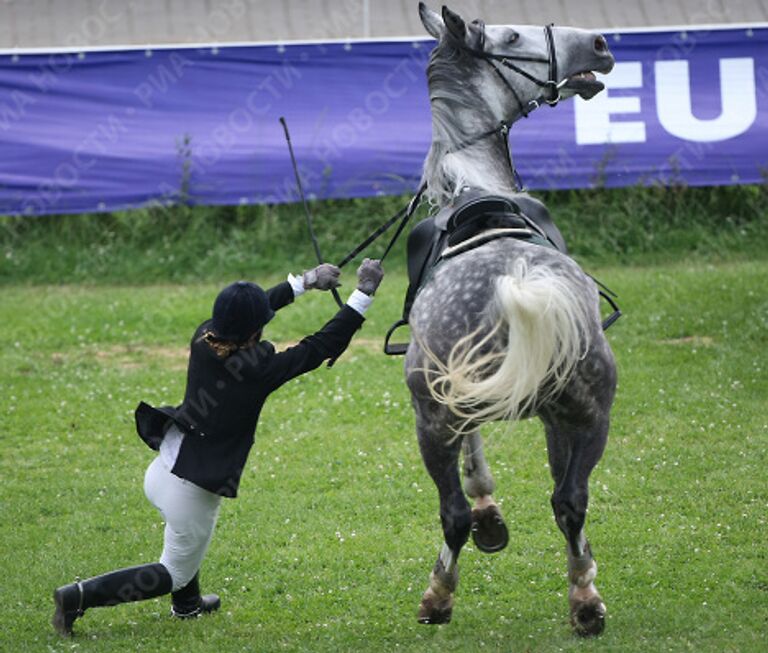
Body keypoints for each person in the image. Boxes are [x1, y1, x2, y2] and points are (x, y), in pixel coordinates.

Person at [52, 258, 384, 637]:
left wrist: (305, 283)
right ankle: (76, 596)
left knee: (184, 540)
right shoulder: (258, 370)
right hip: (189, 487)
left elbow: (253, 314)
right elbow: (319, 346)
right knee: (173, 570)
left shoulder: (204, 335)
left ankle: (188, 605)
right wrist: (364, 293)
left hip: (167, 463)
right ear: (256, 329)